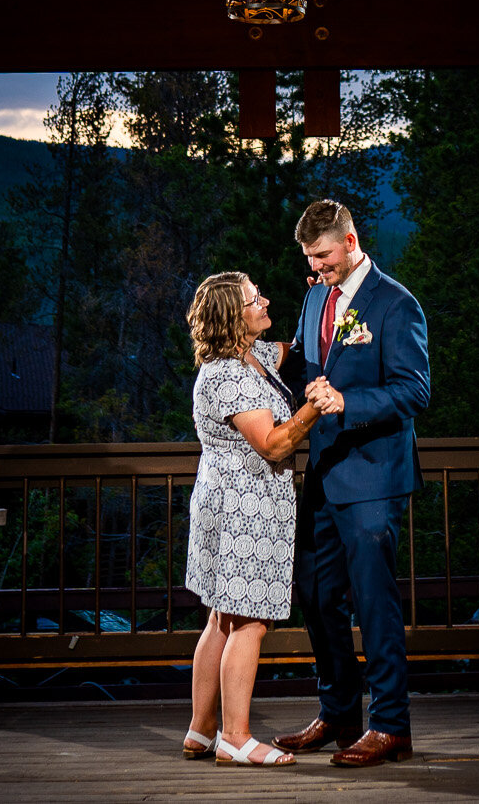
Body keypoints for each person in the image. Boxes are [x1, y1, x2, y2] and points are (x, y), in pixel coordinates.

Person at [271, 200, 431, 768]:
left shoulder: (396, 303)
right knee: (315, 596)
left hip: (373, 475)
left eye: (324, 256)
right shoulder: (316, 296)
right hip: (322, 473)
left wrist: (347, 401)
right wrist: (261, 357)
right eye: (310, 259)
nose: (316, 269)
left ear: (351, 239)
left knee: (374, 601)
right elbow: (304, 367)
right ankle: (339, 712)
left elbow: (415, 391)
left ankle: (391, 724)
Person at [180, 271, 341, 766]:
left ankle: (202, 730)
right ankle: (237, 737)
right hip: (242, 510)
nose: (264, 299)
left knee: (222, 618)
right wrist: (316, 406)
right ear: (234, 316)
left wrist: (321, 293)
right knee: (248, 620)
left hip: (231, 503)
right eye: (254, 299)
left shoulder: (256, 357)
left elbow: (294, 347)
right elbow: (273, 442)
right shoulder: (226, 373)